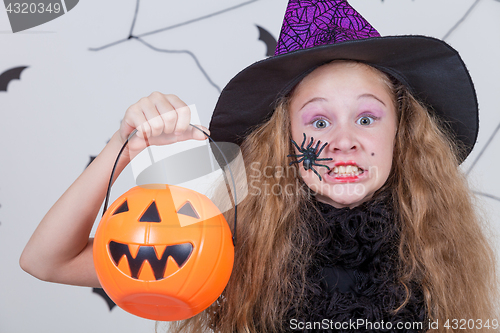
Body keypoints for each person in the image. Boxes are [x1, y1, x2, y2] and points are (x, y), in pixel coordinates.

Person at [21, 1, 498, 332]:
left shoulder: (440, 245)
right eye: (318, 121)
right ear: (285, 139)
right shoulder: (235, 238)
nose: (344, 141)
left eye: (367, 117)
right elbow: (47, 261)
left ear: (402, 132)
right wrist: (123, 148)